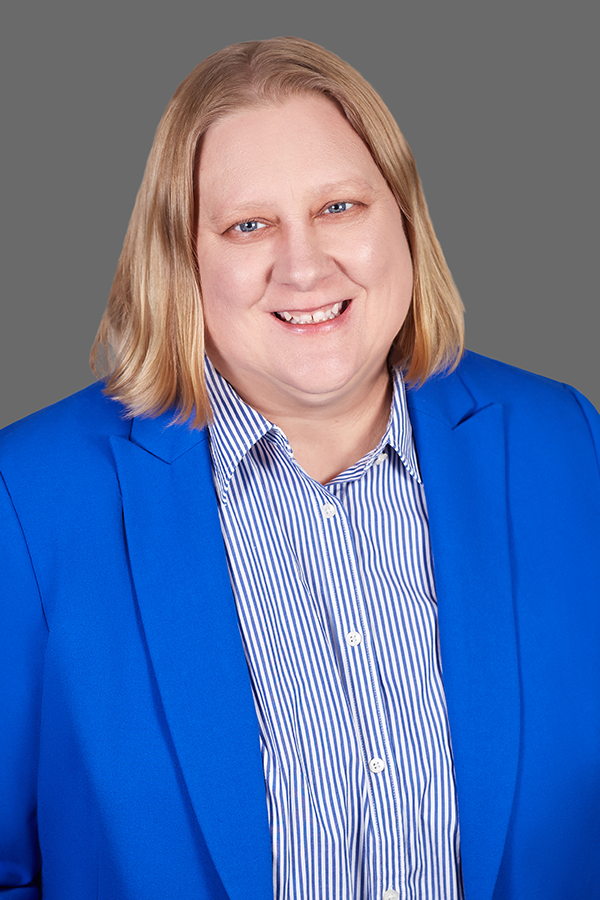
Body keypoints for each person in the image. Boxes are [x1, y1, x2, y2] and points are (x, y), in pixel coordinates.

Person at [0, 36, 599, 900]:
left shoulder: (567, 446)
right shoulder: (31, 504)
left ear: (404, 219)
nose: (306, 265)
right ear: (184, 258)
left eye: (340, 207)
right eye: (249, 225)